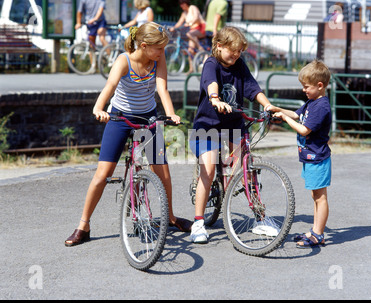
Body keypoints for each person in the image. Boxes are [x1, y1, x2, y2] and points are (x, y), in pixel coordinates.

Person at [65, 22, 192, 247]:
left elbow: (162, 88)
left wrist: (171, 114)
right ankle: (83, 225)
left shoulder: (157, 59)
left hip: (148, 117)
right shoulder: (124, 61)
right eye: (159, 49)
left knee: (163, 171)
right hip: (120, 117)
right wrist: (98, 109)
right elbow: (109, 87)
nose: (163, 53)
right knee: (103, 174)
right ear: (143, 46)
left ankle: (170, 217)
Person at [188, 26, 275, 244]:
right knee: (207, 171)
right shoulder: (211, 63)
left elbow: (253, 88)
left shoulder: (239, 65)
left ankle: (259, 218)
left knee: (246, 169)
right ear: (219, 46)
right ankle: (198, 223)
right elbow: (211, 83)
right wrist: (215, 99)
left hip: (234, 122)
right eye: (232, 50)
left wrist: (268, 106)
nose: (235, 55)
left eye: (239, 52)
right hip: (207, 125)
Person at [266, 59, 332, 249]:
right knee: (315, 196)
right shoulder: (312, 102)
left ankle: (318, 234)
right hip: (310, 157)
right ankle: (315, 230)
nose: (304, 90)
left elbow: (303, 130)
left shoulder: (321, 107)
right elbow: (296, 114)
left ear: (320, 86)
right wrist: (277, 110)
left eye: (306, 87)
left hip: (318, 158)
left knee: (320, 197)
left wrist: (285, 119)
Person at [170, 0, 206, 73]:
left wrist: (190, 22)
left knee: (188, 34)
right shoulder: (184, 13)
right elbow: (180, 22)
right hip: (193, 31)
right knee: (190, 50)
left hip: (200, 28)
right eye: (180, 4)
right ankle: (191, 69)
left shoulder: (193, 7)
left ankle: (200, 47)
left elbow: (196, 17)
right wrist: (173, 28)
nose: (181, 6)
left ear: (186, 3)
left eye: (182, 4)